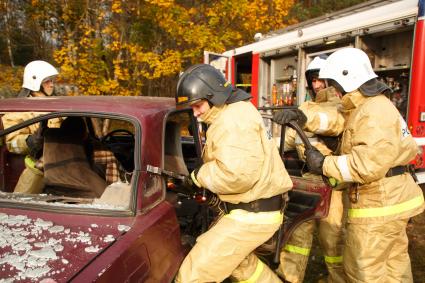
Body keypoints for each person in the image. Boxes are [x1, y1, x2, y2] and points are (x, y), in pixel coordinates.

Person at [305, 47, 425, 282]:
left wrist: (324, 164)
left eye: (335, 84)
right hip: (392, 203)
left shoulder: (371, 111)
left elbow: (366, 166)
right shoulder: (373, 106)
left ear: (348, 78)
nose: (334, 91)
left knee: (364, 271)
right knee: (394, 269)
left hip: (378, 207)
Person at [174, 64, 293, 283]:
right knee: (242, 265)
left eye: (198, 105)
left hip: (251, 215)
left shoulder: (231, 122)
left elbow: (236, 177)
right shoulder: (235, 112)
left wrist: (197, 176)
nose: (196, 113)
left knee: (193, 275)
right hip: (254, 209)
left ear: (214, 95)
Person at [273, 56, 346, 283]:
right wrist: (258, 144)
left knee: (334, 240)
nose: (316, 85)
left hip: (335, 185)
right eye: (312, 80)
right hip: (309, 182)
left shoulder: (342, 106)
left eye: (320, 80)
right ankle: (289, 278)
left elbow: (332, 122)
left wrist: (304, 118)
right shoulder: (305, 107)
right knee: (296, 236)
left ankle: (339, 279)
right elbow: (286, 141)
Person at [2, 60, 62, 193]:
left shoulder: (57, 105)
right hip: (36, 165)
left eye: (52, 81)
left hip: (61, 156)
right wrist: (31, 141)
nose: (52, 85)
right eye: (47, 81)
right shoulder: (18, 110)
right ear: (36, 82)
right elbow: (12, 143)